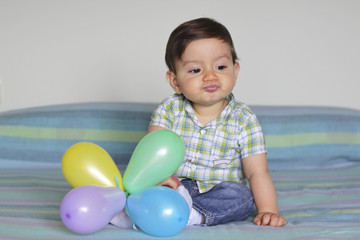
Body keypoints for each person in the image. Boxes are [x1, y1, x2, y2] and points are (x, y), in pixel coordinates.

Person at [149, 17, 287, 227]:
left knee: (242, 197)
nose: (210, 76)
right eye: (196, 70)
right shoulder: (169, 109)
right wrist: (161, 179)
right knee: (150, 182)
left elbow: (257, 171)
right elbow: (152, 153)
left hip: (218, 191)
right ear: (175, 81)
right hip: (175, 185)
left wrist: (269, 210)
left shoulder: (243, 119)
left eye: (221, 66)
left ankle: (193, 214)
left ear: (235, 70)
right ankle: (137, 208)